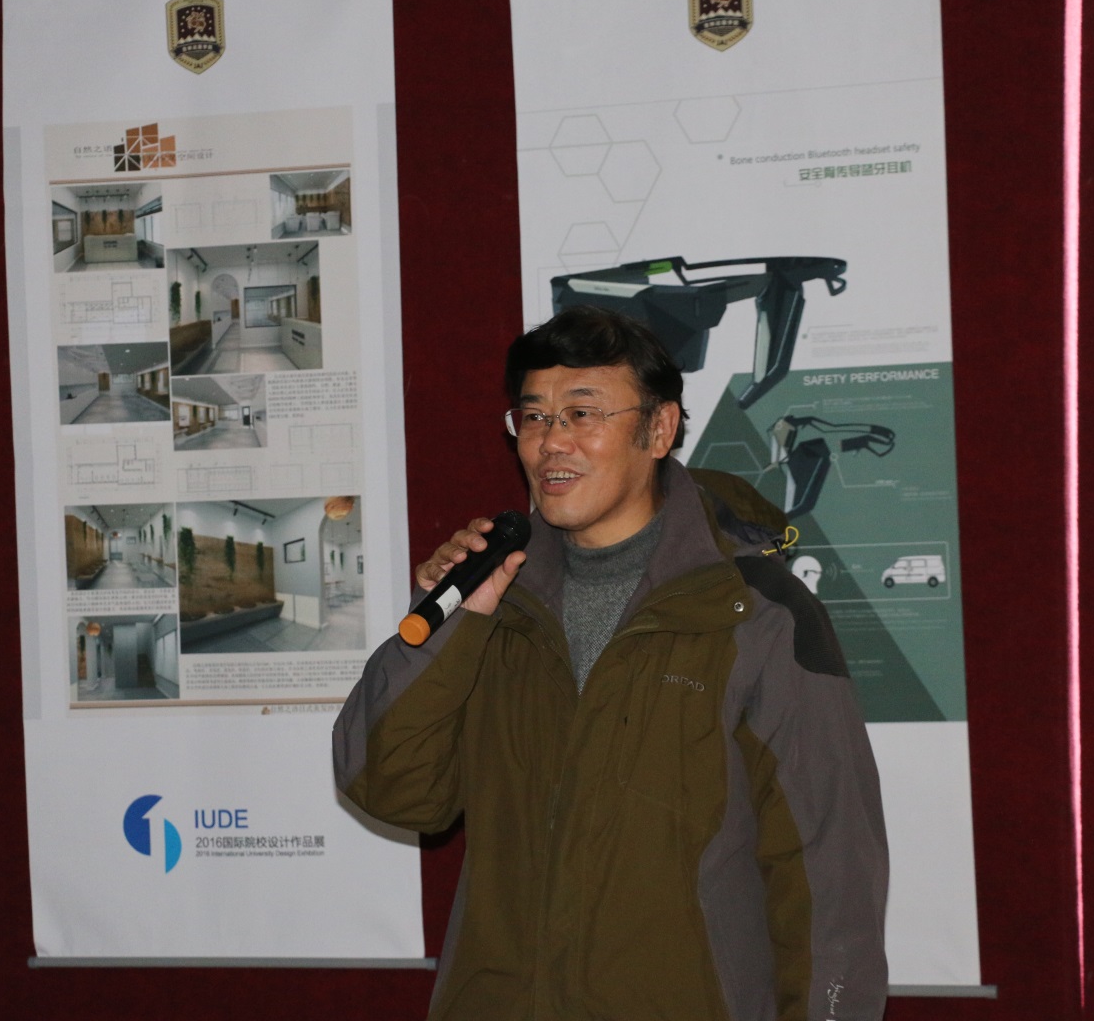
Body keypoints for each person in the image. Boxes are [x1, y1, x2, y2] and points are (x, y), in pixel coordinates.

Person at [333, 307, 887, 1020]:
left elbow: (829, 874)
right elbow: (391, 789)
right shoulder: (493, 600)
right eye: (534, 417)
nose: (551, 442)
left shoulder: (755, 613)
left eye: (582, 413)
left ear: (659, 429)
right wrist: (455, 625)